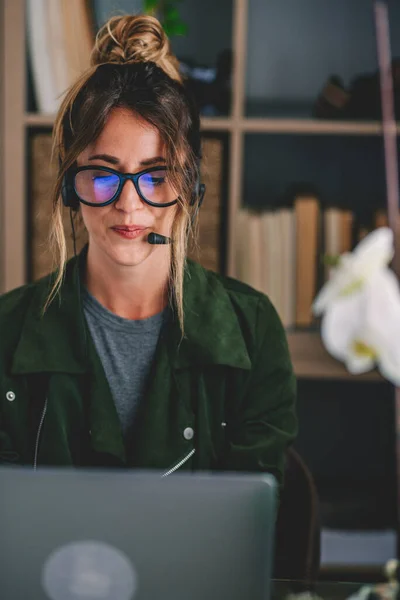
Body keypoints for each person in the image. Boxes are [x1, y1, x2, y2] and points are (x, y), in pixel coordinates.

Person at [0, 14, 297, 482]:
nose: (129, 204)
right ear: (68, 188)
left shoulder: (254, 331)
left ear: (193, 189)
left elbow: (247, 530)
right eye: (102, 174)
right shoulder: (6, 332)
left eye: (156, 177)